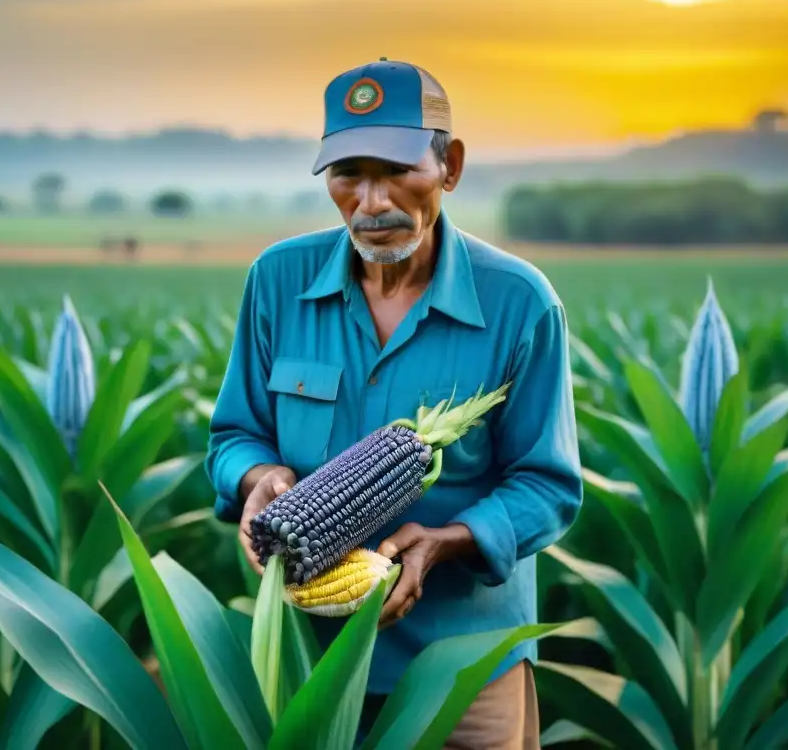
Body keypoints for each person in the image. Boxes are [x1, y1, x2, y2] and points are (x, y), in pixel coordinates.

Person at [206, 57, 583, 749]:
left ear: (451, 167)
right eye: (349, 175)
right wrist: (260, 479)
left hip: (462, 665)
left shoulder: (520, 303)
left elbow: (547, 486)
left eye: (397, 170)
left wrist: (446, 543)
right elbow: (234, 436)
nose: (372, 201)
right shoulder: (276, 281)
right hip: (303, 656)